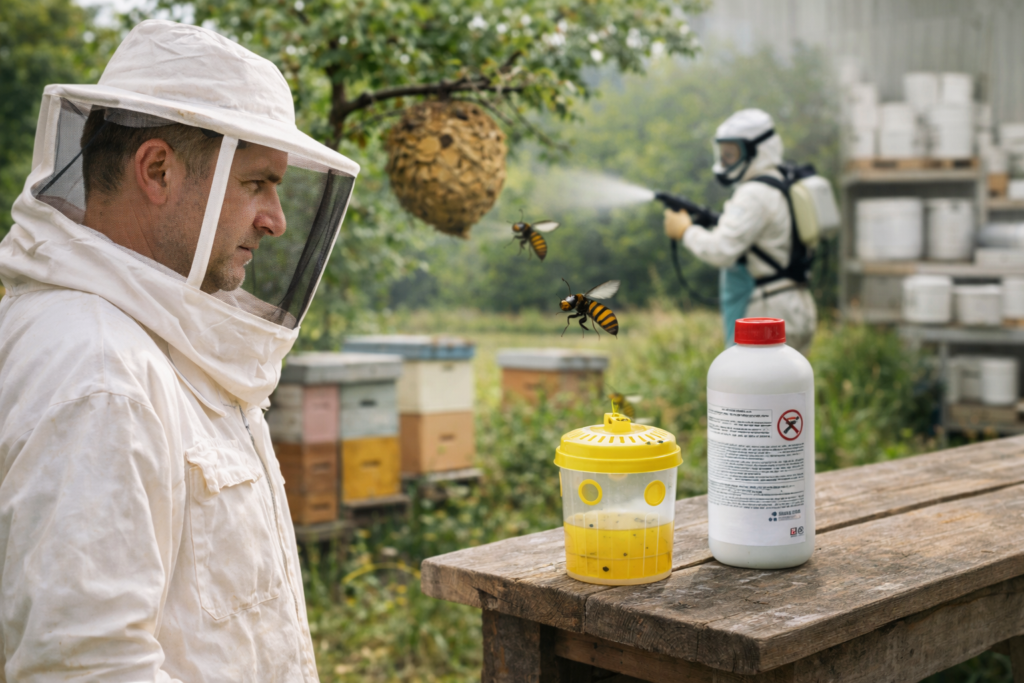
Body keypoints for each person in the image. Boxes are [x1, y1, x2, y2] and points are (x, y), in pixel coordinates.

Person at [0, 20, 359, 681]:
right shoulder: (100, 371)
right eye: (257, 183)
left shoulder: (157, 339)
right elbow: (86, 668)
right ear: (158, 170)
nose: (277, 220)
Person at [664, 108, 818, 354]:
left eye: (731, 153)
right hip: (795, 305)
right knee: (790, 390)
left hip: (769, 313)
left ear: (757, 150)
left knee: (756, 391)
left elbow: (721, 250)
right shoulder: (781, 181)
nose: (725, 161)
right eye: (722, 153)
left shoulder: (754, 193)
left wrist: (686, 231)